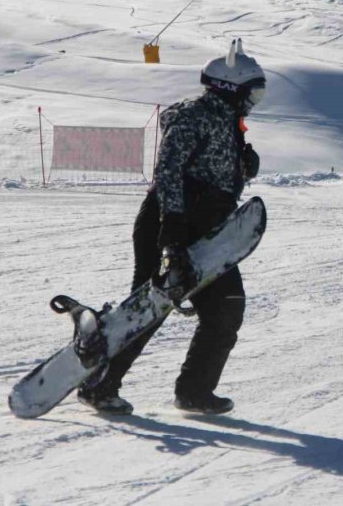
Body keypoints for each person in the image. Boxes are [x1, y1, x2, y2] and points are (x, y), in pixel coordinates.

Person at [77, 38, 265, 416]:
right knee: (149, 306)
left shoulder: (226, 121)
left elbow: (208, 171)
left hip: (207, 232)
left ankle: (195, 391)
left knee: (226, 309)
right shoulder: (197, 114)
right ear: (232, 88)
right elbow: (168, 170)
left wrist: (241, 167)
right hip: (171, 222)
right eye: (253, 94)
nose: (253, 102)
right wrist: (173, 233)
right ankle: (99, 385)